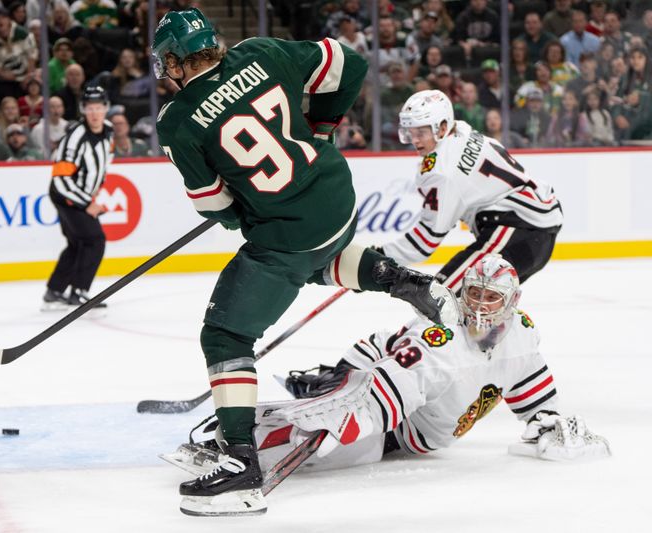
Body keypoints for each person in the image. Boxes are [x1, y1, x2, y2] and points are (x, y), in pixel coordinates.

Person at [152, 8, 455, 517]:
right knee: (305, 261)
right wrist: (322, 127)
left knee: (225, 335)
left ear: (180, 60)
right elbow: (351, 63)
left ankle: (240, 463)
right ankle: (397, 278)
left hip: (287, 231)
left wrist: (243, 210)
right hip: (337, 200)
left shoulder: (178, 121)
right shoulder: (261, 52)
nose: (167, 72)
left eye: (168, 61)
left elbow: (218, 208)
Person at [164, 256, 611, 478]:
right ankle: (235, 441)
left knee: (334, 418)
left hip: (411, 420)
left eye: (489, 298)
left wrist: (544, 419)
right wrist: (348, 405)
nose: (477, 305)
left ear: (511, 305)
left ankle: (277, 419)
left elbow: (531, 388)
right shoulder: (442, 339)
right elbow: (391, 382)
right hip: (396, 421)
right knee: (321, 429)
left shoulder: (521, 332)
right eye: (472, 293)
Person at [379, 90, 562, 294]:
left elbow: (425, 242)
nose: (415, 140)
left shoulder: (442, 172)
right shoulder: (462, 130)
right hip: (536, 227)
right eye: (410, 133)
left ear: (442, 127)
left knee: (440, 298)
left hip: (517, 230)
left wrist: (378, 258)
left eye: (421, 132)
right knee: (478, 310)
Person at [43, 86, 113, 310]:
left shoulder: (108, 131)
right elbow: (61, 180)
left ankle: (54, 291)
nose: (94, 113)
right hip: (65, 196)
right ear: (83, 109)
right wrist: (87, 202)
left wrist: (93, 192)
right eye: (90, 108)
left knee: (77, 243)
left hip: (81, 196)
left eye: (99, 108)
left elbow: (104, 163)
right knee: (94, 240)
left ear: (106, 108)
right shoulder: (74, 138)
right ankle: (79, 291)